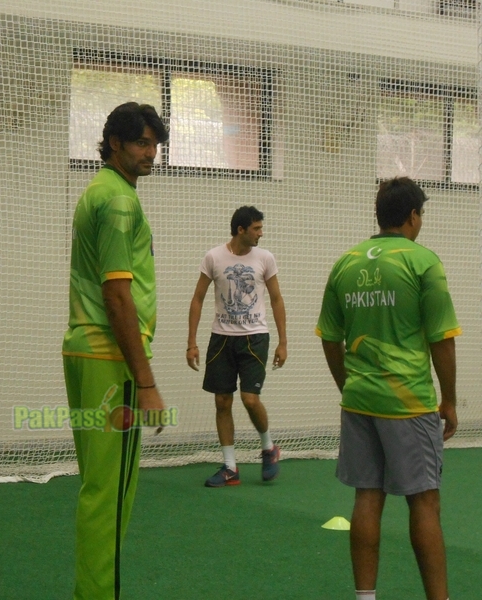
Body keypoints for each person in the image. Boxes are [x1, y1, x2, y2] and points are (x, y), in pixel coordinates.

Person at [316, 177, 459, 600]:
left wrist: (348, 384)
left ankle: (365, 598)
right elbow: (442, 339)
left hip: (359, 400)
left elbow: (328, 335)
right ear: (414, 216)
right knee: (424, 502)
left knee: (367, 496)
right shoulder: (423, 262)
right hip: (409, 403)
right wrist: (448, 400)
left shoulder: (347, 262)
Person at [62, 102, 168, 600]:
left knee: (98, 487)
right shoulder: (120, 201)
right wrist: (145, 381)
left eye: (154, 144)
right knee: (110, 492)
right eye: (142, 143)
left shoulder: (99, 192)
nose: (151, 154)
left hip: (87, 351)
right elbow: (118, 294)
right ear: (113, 142)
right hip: (111, 359)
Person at [186, 205, 287, 487]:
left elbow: (277, 299)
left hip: (255, 337)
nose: (261, 233)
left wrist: (283, 342)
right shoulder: (213, 257)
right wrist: (191, 342)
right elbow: (198, 298)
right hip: (221, 339)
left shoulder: (265, 258)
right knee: (222, 401)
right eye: (256, 228)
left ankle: (269, 448)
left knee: (250, 399)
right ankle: (230, 468)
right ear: (241, 230)